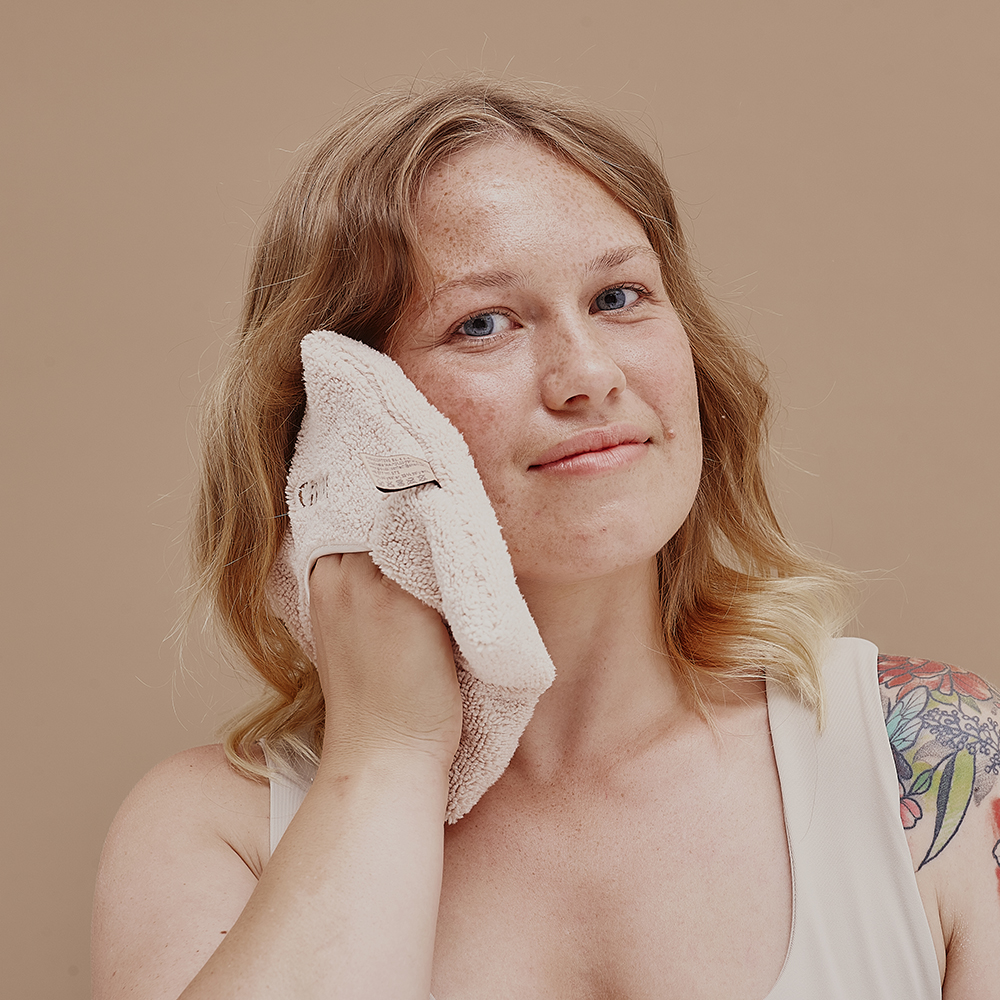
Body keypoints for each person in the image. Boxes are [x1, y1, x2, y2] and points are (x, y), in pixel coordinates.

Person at [91, 77, 1000, 999]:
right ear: (344, 417)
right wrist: (387, 756)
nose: (587, 375)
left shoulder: (929, 755)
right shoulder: (215, 831)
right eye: (482, 323)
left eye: (619, 297)